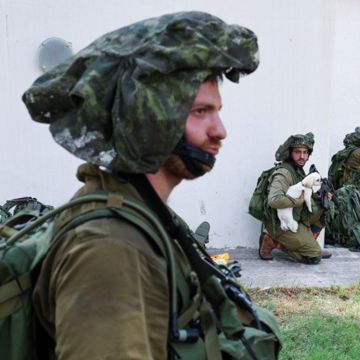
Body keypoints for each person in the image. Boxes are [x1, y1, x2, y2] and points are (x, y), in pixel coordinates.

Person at [24, 12, 279, 359]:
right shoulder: (109, 249)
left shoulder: (139, 213)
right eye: (200, 112)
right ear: (151, 120)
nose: (220, 130)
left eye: (217, 111)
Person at [258, 133, 333, 264]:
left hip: (294, 216)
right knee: (314, 257)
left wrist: (322, 197)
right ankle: (271, 241)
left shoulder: (298, 170)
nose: (302, 156)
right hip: (280, 222)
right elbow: (273, 200)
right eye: (298, 152)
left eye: (305, 152)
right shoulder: (284, 173)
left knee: (324, 206)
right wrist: (299, 201)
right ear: (290, 153)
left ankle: (308, 244)